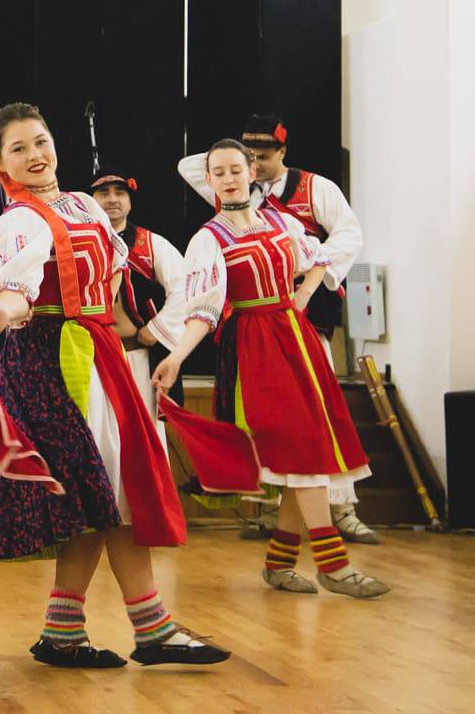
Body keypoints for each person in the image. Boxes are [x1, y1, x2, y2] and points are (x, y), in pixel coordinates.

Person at [0, 104, 227, 670]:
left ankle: (82, 632)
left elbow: (108, 275)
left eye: (41, 141)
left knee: (110, 491)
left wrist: (138, 331)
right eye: (19, 149)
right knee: (99, 492)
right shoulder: (17, 222)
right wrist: (1, 308)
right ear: (2, 164)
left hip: (99, 351)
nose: (36, 155)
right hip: (52, 359)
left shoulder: (84, 204)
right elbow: (19, 285)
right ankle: (142, 629)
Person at [153, 139, 388, 599]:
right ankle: (333, 564)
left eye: (235, 169)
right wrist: (177, 356)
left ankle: (280, 562)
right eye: (217, 172)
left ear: (251, 172)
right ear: (211, 181)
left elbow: (318, 256)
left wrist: (301, 298)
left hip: (295, 337)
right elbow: (202, 309)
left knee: (306, 450)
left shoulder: (281, 221)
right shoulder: (209, 238)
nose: (227, 178)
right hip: (256, 348)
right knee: (298, 450)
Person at [88, 168, 188, 432]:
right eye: (103, 193)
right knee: (96, 436)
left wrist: (157, 328)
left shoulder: (150, 245)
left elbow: (186, 287)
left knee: (143, 434)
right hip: (91, 359)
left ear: (130, 201)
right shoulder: (77, 244)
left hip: (138, 357)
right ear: (90, 201)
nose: (112, 199)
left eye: (119, 193)